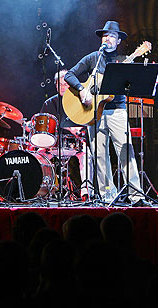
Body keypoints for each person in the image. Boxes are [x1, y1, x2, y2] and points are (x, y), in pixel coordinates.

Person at [64, 21, 142, 202]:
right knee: (99, 156)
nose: (108, 39)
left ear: (118, 41)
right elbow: (69, 75)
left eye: (112, 36)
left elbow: (131, 85)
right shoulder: (93, 58)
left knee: (125, 152)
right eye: (105, 36)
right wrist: (82, 90)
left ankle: (136, 195)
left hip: (117, 112)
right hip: (93, 114)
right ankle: (108, 195)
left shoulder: (122, 60)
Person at [40, 69, 87, 196]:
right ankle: (43, 191)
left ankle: (86, 191)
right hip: (54, 143)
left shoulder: (79, 101)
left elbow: (86, 121)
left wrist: (78, 130)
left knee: (87, 156)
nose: (63, 87)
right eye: (59, 84)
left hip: (75, 142)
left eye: (66, 84)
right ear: (55, 85)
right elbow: (45, 125)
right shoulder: (49, 103)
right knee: (39, 156)